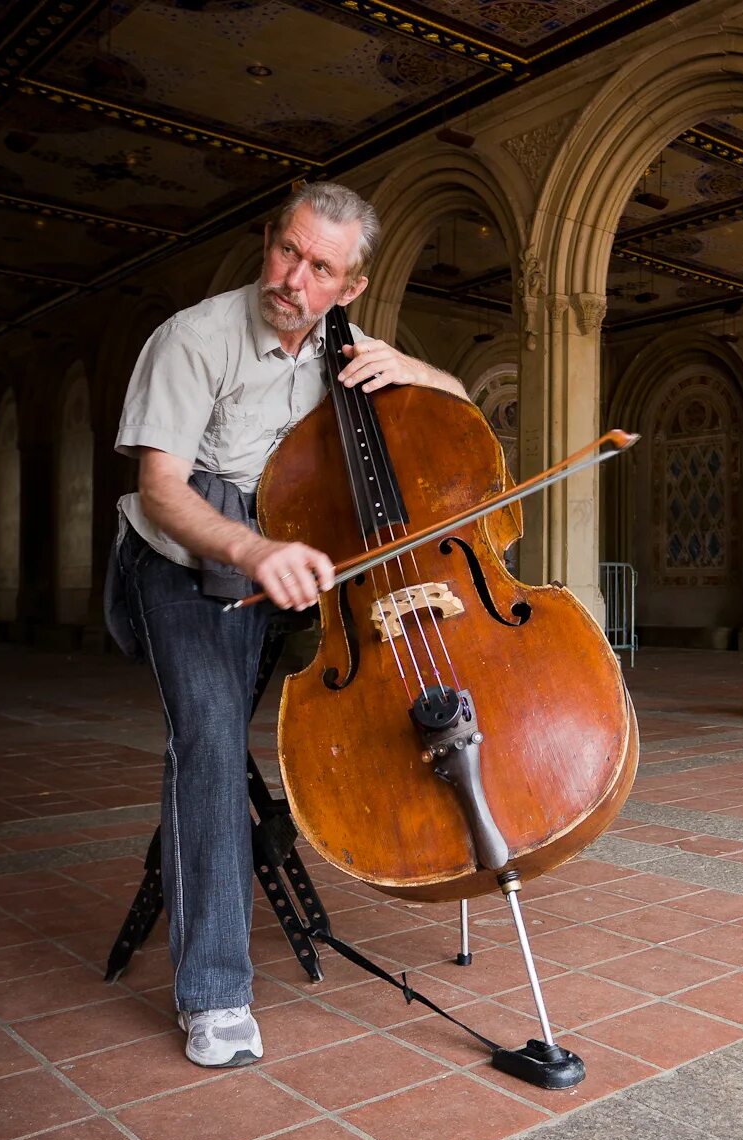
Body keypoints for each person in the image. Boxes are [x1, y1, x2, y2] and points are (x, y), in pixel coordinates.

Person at [105, 182, 468, 1069]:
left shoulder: (349, 348)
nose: (293, 280)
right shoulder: (194, 337)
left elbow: (455, 414)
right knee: (214, 738)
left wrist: (426, 375)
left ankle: (231, 852)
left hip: (286, 557)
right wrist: (254, 548)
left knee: (235, 744)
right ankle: (216, 993)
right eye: (287, 253)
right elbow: (162, 489)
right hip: (181, 560)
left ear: (350, 287)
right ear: (269, 240)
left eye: (320, 269)